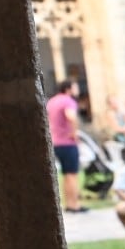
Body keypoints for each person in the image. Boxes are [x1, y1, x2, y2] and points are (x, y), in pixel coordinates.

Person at [46, 79, 85, 213]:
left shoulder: (52, 101)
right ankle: (75, 204)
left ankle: (68, 203)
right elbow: (71, 117)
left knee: (64, 174)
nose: (77, 90)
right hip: (68, 142)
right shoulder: (68, 101)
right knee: (72, 174)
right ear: (68, 89)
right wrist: (74, 133)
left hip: (56, 142)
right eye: (75, 87)